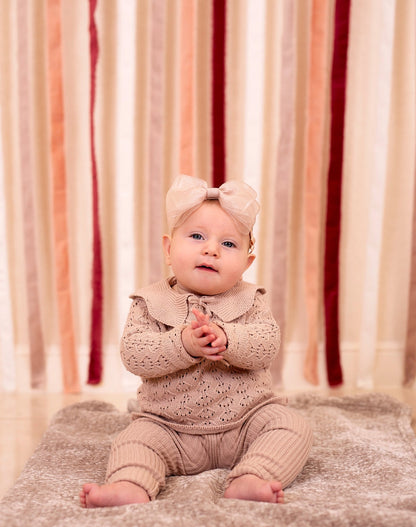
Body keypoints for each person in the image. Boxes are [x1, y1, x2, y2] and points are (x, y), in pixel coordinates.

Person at [80, 174, 312, 508]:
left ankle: (252, 476)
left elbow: (267, 345)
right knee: (134, 440)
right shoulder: (149, 302)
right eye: (197, 236)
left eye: (228, 244)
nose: (211, 249)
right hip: (169, 429)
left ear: (246, 264)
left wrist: (229, 339)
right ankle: (130, 484)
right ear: (168, 249)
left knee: (292, 426)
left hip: (246, 423)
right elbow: (134, 353)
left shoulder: (251, 300)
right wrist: (183, 344)